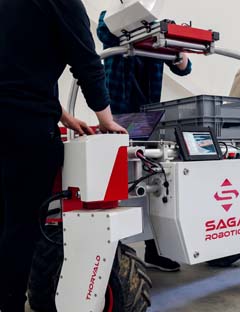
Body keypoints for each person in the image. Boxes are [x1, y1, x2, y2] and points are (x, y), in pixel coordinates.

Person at [0, 0, 127, 311]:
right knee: (21, 226)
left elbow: (16, 70)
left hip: (13, 118)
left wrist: (65, 116)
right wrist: (106, 119)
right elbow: (86, 62)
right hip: (25, 129)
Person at [97, 10, 192, 272]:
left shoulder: (162, 26)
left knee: (152, 182)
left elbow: (185, 68)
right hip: (115, 114)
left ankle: (153, 250)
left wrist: (179, 55)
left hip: (147, 116)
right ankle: (111, 250)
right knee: (114, 184)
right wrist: (135, 22)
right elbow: (103, 32)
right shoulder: (111, 18)